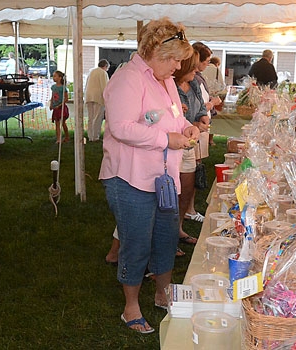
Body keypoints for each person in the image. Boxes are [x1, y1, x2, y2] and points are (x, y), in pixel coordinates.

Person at [98, 18, 198, 334]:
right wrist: (166, 139)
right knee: (136, 241)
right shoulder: (127, 80)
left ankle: (162, 293)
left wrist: (186, 128)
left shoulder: (164, 79)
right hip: (130, 178)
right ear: (154, 51)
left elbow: (175, 117)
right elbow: (121, 127)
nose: (178, 65)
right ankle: (131, 308)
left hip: (162, 178)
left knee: (167, 236)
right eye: (173, 58)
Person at [174, 48, 209, 244]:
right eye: (193, 68)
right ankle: (167, 237)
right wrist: (193, 124)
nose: (196, 71)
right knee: (172, 193)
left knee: (186, 190)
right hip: (172, 148)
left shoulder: (194, 84)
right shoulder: (168, 86)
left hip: (189, 146)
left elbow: (201, 108)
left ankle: (178, 228)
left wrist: (202, 117)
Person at [85, 59, 110, 142]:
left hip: (89, 96)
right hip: (98, 97)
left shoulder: (92, 72)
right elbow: (105, 87)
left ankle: (90, 136)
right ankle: (95, 137)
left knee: (90, 117)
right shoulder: (103, 73)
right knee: (97, 118)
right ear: (105, 66)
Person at [49, 70, 70, 144]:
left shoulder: (63, 88)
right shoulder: (53, 87)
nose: (53, 77)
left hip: (61, 108)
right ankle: (58, 138)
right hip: (55, 108)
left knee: (63, 122)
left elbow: (66, 99)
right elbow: (52, 96)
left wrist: (59, 105)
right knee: (57, 123)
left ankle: (67, 136)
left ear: (60, 78)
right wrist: (51, 104)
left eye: (55, 76)